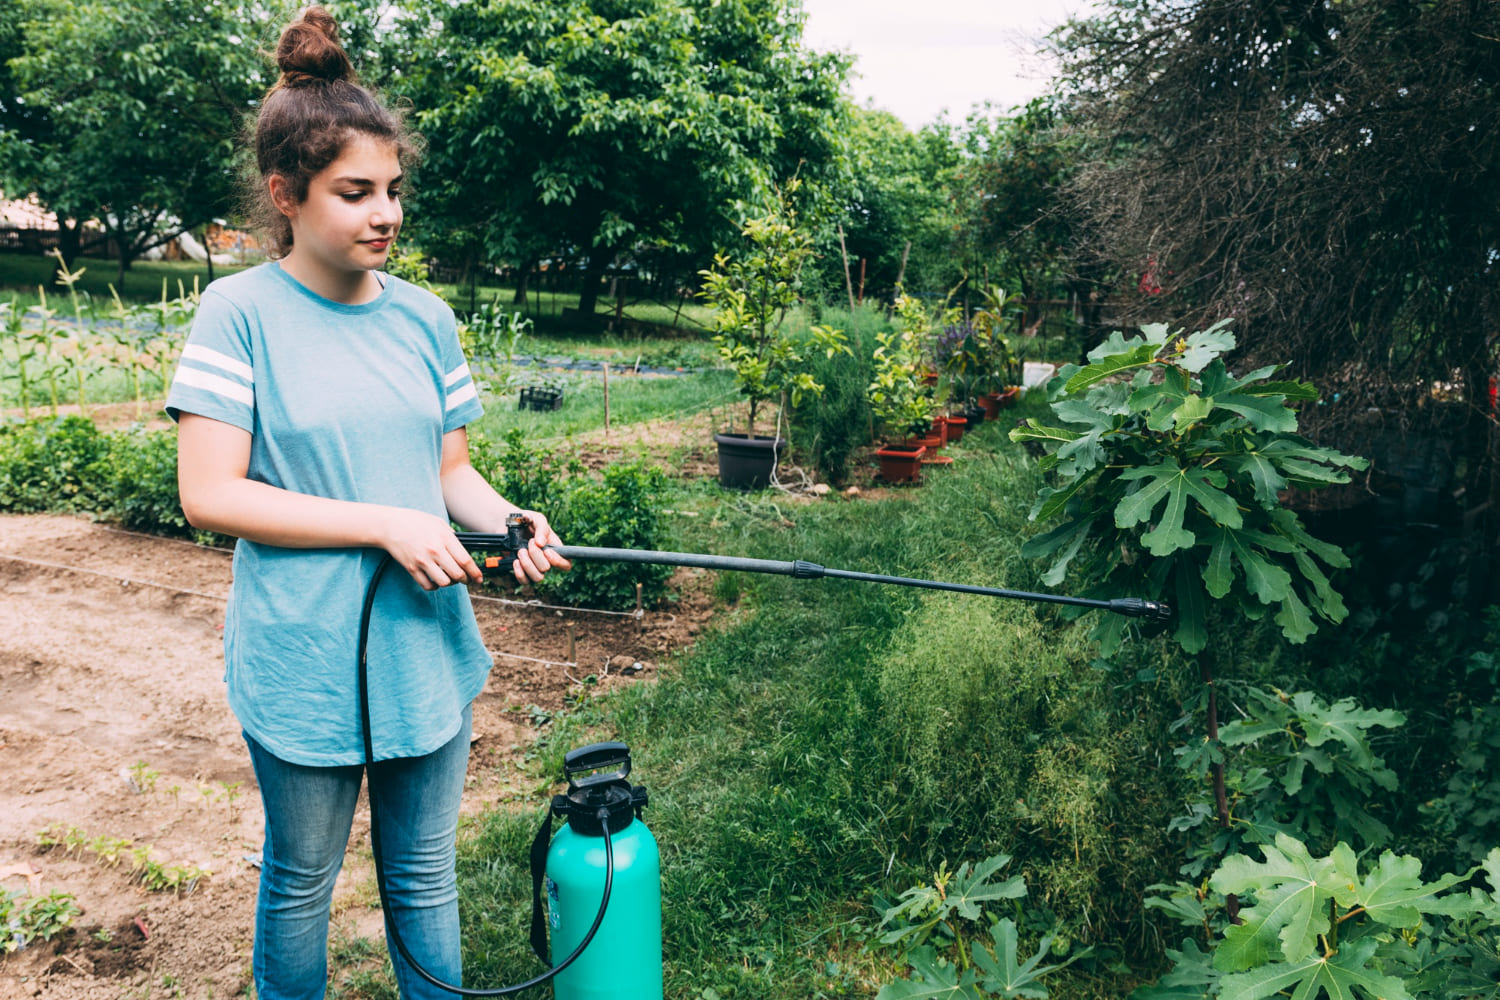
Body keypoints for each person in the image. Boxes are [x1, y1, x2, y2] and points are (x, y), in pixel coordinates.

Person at [168, 8, 570, 997]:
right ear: (286, 196)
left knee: (425, 874)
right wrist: (382, 524)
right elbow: (207, 493)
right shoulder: (237, 314)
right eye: (355, 192)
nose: (384, 212)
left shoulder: (426, 319)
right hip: (302, 653)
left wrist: (507, 516)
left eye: (393, 190)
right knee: (303, 879)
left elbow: (447, 477)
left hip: (423, 647)